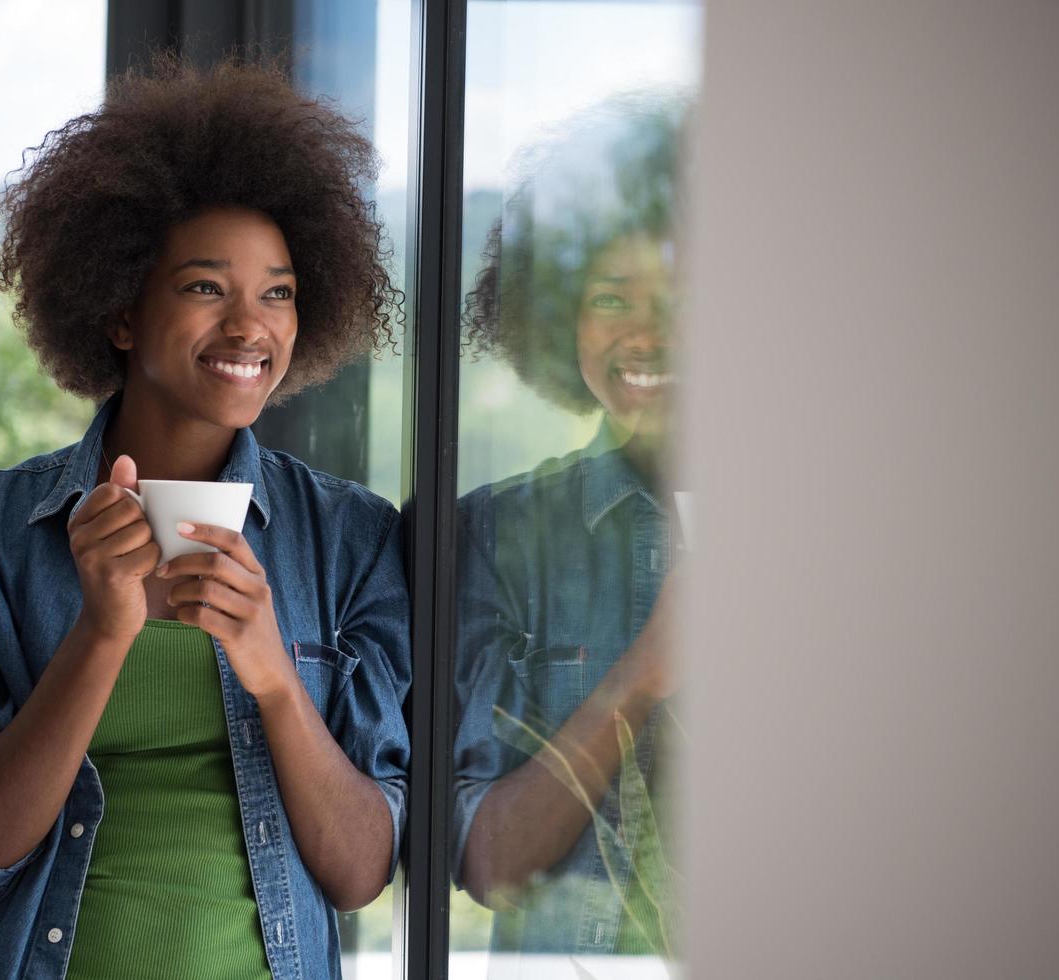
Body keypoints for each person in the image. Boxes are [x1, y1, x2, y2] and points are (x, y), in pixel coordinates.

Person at [0, 58, 410, 980]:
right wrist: (102, 632)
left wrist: (274, 677)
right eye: (206, 287)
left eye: (277, 291)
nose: (251, 326)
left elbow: (360, 872)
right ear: (119, 310)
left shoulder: (350, 541)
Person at [451, 97, 688, 967]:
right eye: (609, 297)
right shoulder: (493, 534)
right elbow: (489, 863)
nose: (644, 330)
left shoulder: (850, 523)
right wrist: (643, 673)